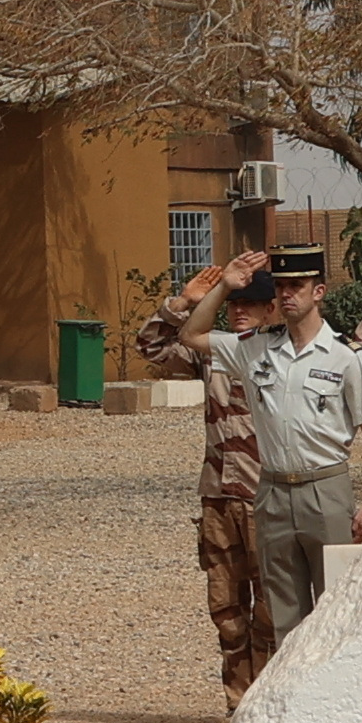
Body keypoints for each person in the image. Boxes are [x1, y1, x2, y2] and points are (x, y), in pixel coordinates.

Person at [220, 248, 362, 662]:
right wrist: (224, 286)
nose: (286, 294)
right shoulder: (257, 348)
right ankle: (293, 694)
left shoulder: (347, 356)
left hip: (325, 489)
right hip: (273, 491)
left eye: (296, 285)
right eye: (280, 286)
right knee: (284, 615)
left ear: (319, 291)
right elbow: (191, 335)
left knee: (337, 608)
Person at [130, 252, 283, 694]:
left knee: (272, 611)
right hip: (218, 498)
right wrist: (184, 302)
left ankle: (266, 703)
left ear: (270, 309)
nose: (238, 311)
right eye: (232, 304)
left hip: (266, 498)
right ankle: (237, 703)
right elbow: (151, 348)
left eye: (249, 304)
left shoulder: (285, 355)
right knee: (226, 611)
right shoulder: (212, 355)